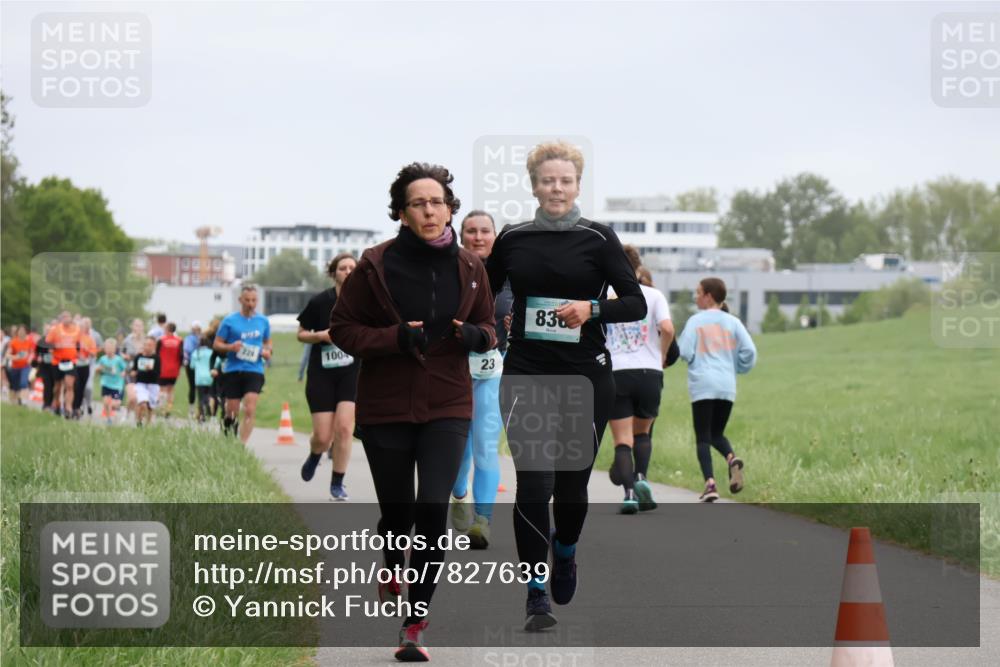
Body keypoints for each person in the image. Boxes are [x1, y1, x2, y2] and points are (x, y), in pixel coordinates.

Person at [329, 162, 497, 662]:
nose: (429, 210)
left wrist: (477, 336)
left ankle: (415, 624)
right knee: (399, 513)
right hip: (386, 404)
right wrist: (394, 339)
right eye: (418, 203)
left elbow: (490, 326)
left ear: (450, 209)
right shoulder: (374, 265)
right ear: (401, 213)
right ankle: (391, 559)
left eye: (437, 202)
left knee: (432, 509)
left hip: (448, 401)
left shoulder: (470, 268)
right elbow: (343, 328)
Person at [485, 141, 646, 631]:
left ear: (577, 185)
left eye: (565, 181)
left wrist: (590, 308)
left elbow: (635, 303)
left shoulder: (598, 238)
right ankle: (536, 593)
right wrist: (494, 321)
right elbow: (484, 293)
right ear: (533, 186)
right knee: (534, 482)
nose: (556, 189)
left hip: (585, 375)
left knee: (572, 486)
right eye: (547, 181)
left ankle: (567, 549)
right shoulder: (512, 238)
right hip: (527, 372)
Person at [449, 210, 514, 549]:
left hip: (492, 372)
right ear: (461, 235)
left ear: (494, 236)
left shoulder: (510, 277)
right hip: (453, 373)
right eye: (471, 231)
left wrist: (516, 323)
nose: (478, 237)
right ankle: (459, 494)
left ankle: (483, 521)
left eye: (485, 231)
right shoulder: (450, 270)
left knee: (486, 446)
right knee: (460, 450)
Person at [605, 246, 674, 514]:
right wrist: (662, 354)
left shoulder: (607, 297)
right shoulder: (654, 295)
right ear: (638, 267)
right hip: (649, 372)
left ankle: (630, 494)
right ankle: (642, 477)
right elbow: (667, 328)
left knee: (623, 440)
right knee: (642, 433)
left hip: (618, 372)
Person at [677, 277, 757, 502]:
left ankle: (710, 484)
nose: (696, 297)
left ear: (709, 296)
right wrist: (737, 367)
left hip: (703, 384)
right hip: (726, 385)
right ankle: (731, 459)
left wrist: (692, 358)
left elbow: (685, 351)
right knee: (716, 434)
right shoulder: (734, 322)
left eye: (698, 292)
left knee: (703, 437)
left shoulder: (695, 321)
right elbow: (750, 351)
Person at [298, 253, 359, 500]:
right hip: (322, 373)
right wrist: (320, 336)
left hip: (351, 372)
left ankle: (337, 483)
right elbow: (301, 333)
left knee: (344, 428)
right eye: (343, 268)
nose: (348, 271)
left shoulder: (364, 301)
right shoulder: (320, 301)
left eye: (352, 267)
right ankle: (316, 453)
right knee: (323, 437)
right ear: (334, 273)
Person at [214, 285, 272, 443]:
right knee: (231, 411)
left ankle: (242, 445)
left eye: (254, 300)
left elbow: (268, 342)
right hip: (233, 369)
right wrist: (230, 347)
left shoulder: (263, 321)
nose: (250, 304)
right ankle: (228, 440)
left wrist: (267, 351)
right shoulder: (229, 321)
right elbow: (217, 344)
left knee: (249, 408)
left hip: (255, 370)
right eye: (247, 300)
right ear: (240, 300)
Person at [46, 311, 82, 418]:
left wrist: (78, 352)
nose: (67, 318)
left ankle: (68, 408)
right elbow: (48, 343)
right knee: (57, 386)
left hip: (70, 361)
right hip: (57, 361)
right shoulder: (55, 329)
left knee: (69, 385)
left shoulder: (76, 329)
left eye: (68, 316)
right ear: (61, 319)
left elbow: (78, 343)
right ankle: (57, 403)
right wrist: (55, 346)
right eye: (64, 317)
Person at [94, 338, 128, 424]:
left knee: (116, 403)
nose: (109, 350)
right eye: (107, 348)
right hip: (106, 383)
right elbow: (97, 370)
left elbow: (124, 368)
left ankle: (119, 410)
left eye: (111, 348)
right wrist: (98, 369)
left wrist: (123, 373)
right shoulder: (102, 359)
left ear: (115, 349)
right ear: (104, 349)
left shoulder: (118, 359)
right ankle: (109, 419)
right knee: (106, 402)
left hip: (117, 385)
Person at [130, 336, 161, 427]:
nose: (147, 347)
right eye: (145, 344)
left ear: (154, 346)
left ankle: (148, 424)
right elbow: (133, 370)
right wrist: (133, 373)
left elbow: (158, 373)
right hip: (141, 384)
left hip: (153, 384)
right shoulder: (138, 357)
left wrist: (150, 369)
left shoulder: (156, 358)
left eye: (150, 345)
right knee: (142, 403)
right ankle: (139, 423)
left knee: (150, 406)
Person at [156, 322, 184, 417]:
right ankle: (168, 410)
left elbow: (157, 354)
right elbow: (181, 356)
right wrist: (179, 367)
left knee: (162, 389)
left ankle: (161, 409)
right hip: (174, 369)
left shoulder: (161, 340)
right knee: (170, 390)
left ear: (167, 329)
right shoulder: (179, 340)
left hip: (162, 368)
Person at [72, 320, 99, 418]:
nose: (81, 328)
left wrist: (86, 350)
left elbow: (94, 353)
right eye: (80, 326)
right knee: (76, 386)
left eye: (83, 326)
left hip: (85, 365)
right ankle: (73, 407)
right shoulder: (74, 337)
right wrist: (76, 353)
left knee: (82, 388)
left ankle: (78, 408)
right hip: (75, 365)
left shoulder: (89, 339)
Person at [121, 318, 146, 422]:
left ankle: (137, 420)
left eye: (140, 326)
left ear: (143, 328)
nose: (138, 328)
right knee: (132, 397)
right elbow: (121, 352)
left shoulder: (146, 341)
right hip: (129, 371)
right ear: (132, 327)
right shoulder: (127, 340)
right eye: (136, 325)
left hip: (142, 372)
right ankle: (126, 413)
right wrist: (125, 357)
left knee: (139, 399)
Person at [189, 335, 218, 422]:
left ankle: (202, 415)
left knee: (201, 397)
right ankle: (210, 412)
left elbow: (192, 366)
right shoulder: (211, 352)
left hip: (199, 378)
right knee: (209, 395)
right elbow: (217, 363)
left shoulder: (196, 353)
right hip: (210, 377)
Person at [4, 325, 34, 405]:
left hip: (25, 366)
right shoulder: (14, 342)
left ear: (26, 332)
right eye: (20, 331)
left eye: (23, 331)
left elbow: (32, 353)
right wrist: (16, 357)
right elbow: (7, 354)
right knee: (15, 386)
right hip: (15, 367)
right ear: (17, 332)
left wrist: (30, 359)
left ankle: (23, 400)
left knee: (23, 383)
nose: (22, 332)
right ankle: (16, 401)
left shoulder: (29, 342)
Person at [183, 321, 203, 417]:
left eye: (197, 328)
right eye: (195, 328)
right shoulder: (189, 338)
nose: (196, 330)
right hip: (191, 365)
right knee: (192, 386)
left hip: (202, 365)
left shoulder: (202, 337)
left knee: (201, 387)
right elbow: (187, 350)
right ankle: (191, 408)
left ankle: (201, 408)